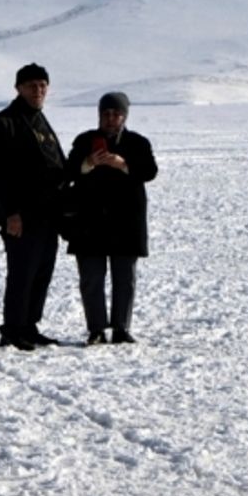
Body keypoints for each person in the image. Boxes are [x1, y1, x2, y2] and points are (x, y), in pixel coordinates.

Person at [64, 92, 158, 345]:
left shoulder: (138, 143)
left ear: (124, 116)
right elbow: (67, 170)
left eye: (116, 114)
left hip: (125, 222)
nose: (110, 118)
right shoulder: (84, 141)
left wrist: (123, 164)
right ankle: (96, 329)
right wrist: (87, 163)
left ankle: (121, 328)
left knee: (124, 278)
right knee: (91, 278)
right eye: (106, 113)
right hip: (89, 221)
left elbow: (150, 171)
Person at [0, 63, 67, 351]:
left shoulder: (40, 121)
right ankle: (12, 328)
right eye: (32, 85)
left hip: (48, 213)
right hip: (21, 214)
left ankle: (30, 325)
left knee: (41, 271)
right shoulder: (4, 122)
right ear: (18, 88)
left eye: (43, 85)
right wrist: (11, 213)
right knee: (22, 272)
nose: (38, 90)